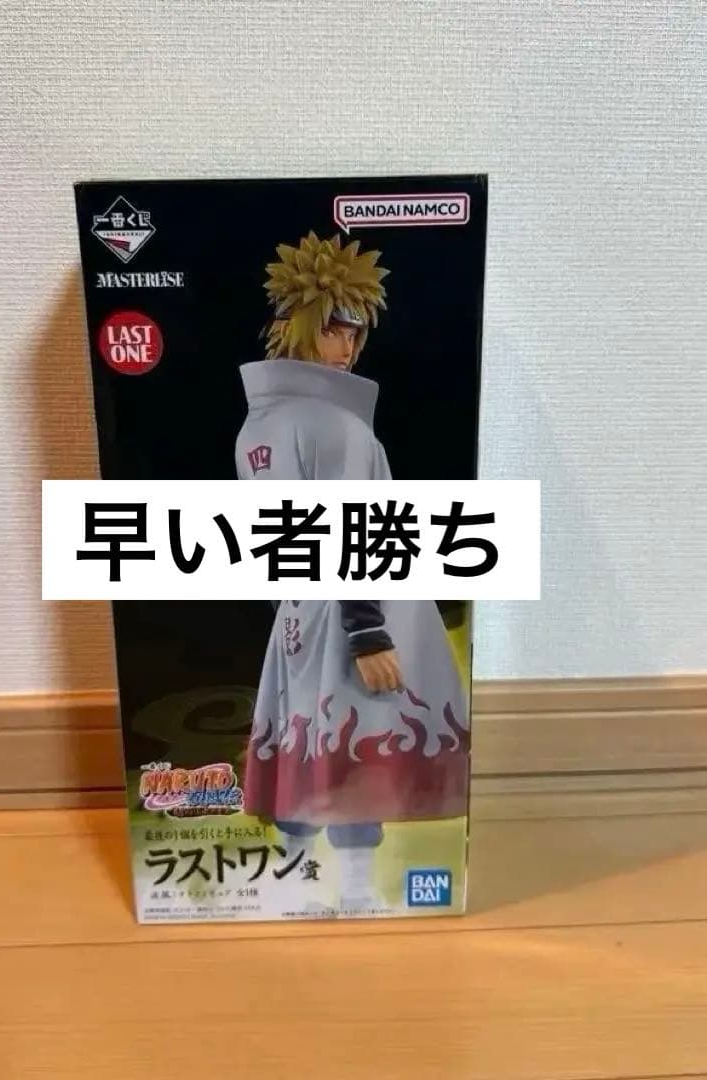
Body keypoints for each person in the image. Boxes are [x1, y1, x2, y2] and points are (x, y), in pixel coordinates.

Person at [235, 231, 468, 914]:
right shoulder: (334, 427)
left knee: (310, 737)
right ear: (301, 325)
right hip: (351, 610)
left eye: (357, 333)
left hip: (299, 613)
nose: (349, 347)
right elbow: (354, 526)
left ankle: (300, 886)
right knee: (354, 735)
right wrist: (367, 629)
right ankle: (348, 890)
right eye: (337, 328)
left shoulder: (256, 430)